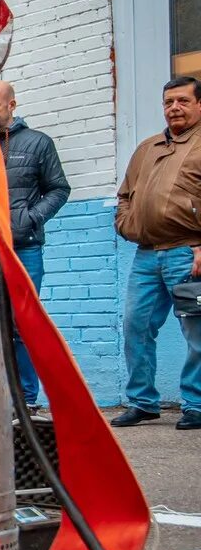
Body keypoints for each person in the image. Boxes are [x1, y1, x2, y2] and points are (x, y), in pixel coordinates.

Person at [110, 76, 201, 430]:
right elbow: (126, 195)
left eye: (182, 101)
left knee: (195, 332)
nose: (173, 108)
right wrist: (126, 223)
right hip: (146, 256)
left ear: (198, 105)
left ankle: (195, 403)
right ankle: (143, 402)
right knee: (136, 326)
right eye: (168, 102)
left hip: (188, 253)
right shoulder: (148, 147)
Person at [0, 79, 70, 413]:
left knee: (22, 325)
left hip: (24, 248)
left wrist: (31, 219)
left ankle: (26, 400)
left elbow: (59, 189)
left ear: (12, 106)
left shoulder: (37, 144)